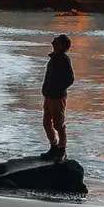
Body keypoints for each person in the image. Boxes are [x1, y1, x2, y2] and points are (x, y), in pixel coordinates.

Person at [40, 34, 74, 162]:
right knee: (46, 122)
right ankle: (54, 146)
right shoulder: (54, 57)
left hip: (57, 96)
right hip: (49, 95)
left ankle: (62, 148)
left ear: (61, 44)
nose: (53, 40)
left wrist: (58, 88)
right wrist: (46, 90)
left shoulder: (63, 59)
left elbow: (70, 79)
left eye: (57, 39)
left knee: (58, 124)